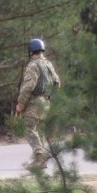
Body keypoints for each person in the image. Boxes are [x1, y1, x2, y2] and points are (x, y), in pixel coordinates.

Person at [14, 37, 61, 168]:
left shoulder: (33, 65)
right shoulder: (48, 64)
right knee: (39, 130)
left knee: (28, 128)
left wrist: (20, 104)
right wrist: (50, 98)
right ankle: (42, 159)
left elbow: (28, 87)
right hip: (46, 102)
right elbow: (57, 83)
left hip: (35, 102)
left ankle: (40, 156)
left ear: (30, 51)